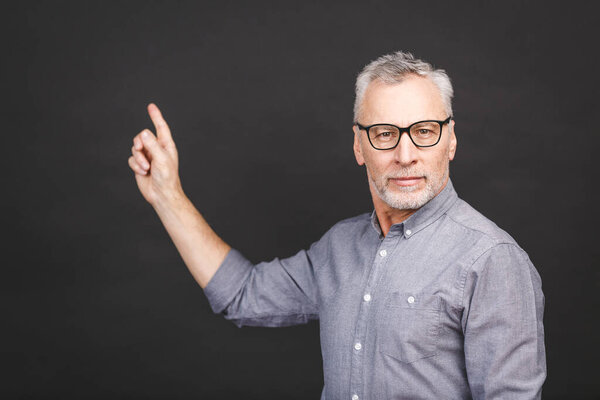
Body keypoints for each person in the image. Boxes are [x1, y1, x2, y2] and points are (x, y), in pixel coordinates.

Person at [127, 51, 546, 399]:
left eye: (424, 131)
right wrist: (168, 196)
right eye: (384, 133)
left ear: (451, 139)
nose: (405, 154)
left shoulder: (492, 261)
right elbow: (242, 294)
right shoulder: (339, 246)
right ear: (358, 145)